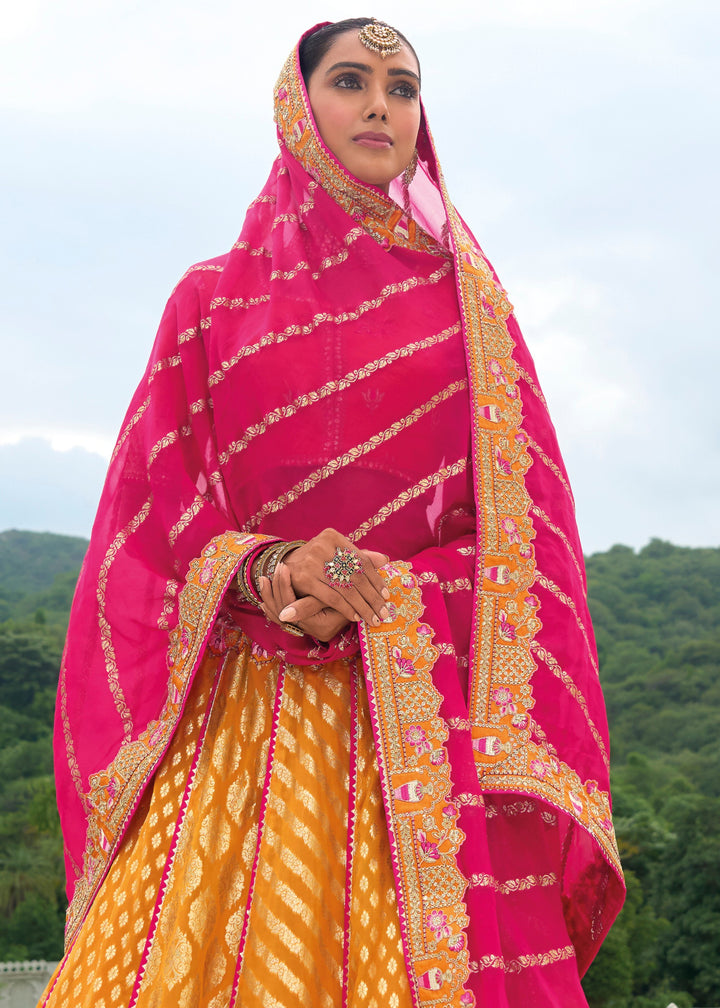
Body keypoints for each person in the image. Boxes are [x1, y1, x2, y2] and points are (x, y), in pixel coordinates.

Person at [40, 17, 624, 1008]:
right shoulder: (210, 302)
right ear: (297, 106)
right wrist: (272, 572)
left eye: (402, 88)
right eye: (352, 81)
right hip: (234, 727)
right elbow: (155, 513)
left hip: (418, 727)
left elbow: (525, 539)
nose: (380, 106)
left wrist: (372, 586)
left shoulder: (468, 308)